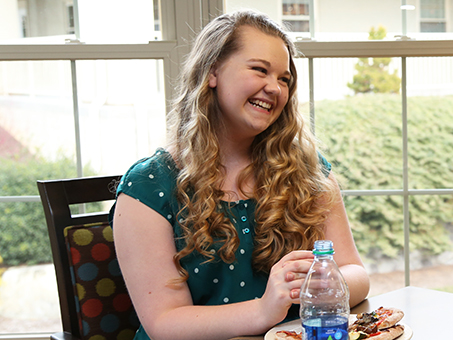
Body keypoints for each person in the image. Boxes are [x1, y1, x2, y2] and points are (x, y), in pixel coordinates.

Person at [112, 10, 369, 340]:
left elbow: (356, 274)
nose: (274, 88)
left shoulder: (308, 171)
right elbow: (165, 323)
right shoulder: (148, 187)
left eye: (284, 79)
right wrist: (265, 309)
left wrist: (320, 280)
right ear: (213, 71)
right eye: (260, 70)